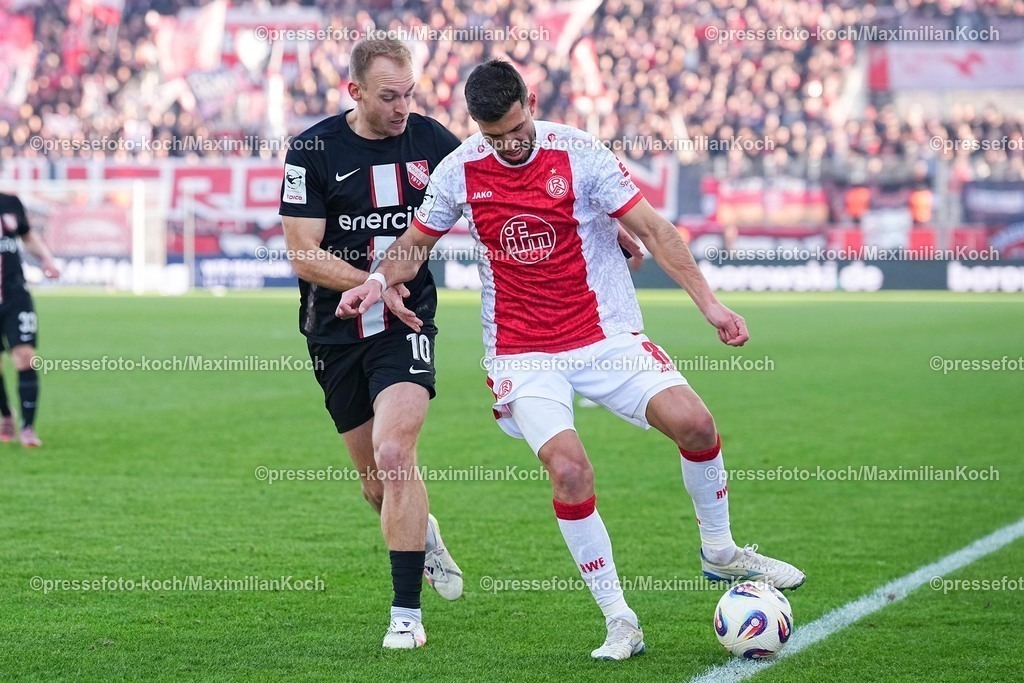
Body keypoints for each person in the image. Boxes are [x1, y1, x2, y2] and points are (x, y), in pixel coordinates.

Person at [339, 59, 806, 661]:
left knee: (696, 425)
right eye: (493, 135)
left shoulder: (580, 152)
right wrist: (377, 281)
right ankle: (620, 619)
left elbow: (655, 230)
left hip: (603, 335)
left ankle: (719, 550)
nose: (508, 145)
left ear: (531, 101)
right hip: (523, 352)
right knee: (569, 471)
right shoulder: (460, 171)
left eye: (516, 129)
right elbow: (414, 247)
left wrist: (709, 306)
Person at [278, 38, 464, 650]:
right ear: (353, 92)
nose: (403, 107)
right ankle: (421, 531)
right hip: (334, 333)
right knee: (375, 484)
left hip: (406, 323)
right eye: (389, 96)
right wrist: (371, 282)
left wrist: (604, 228)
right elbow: (303, 252)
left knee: (394, 453)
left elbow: (500, 194)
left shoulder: (434, 142)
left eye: (409, 93)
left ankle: (405, 616)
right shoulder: (313, 148)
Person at [0, 192, 60, 447]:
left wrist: (46, 258)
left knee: (25, 356)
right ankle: (6, 416)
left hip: (15, 296)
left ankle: (28, 428)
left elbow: (26, 235)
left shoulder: (10, 203)